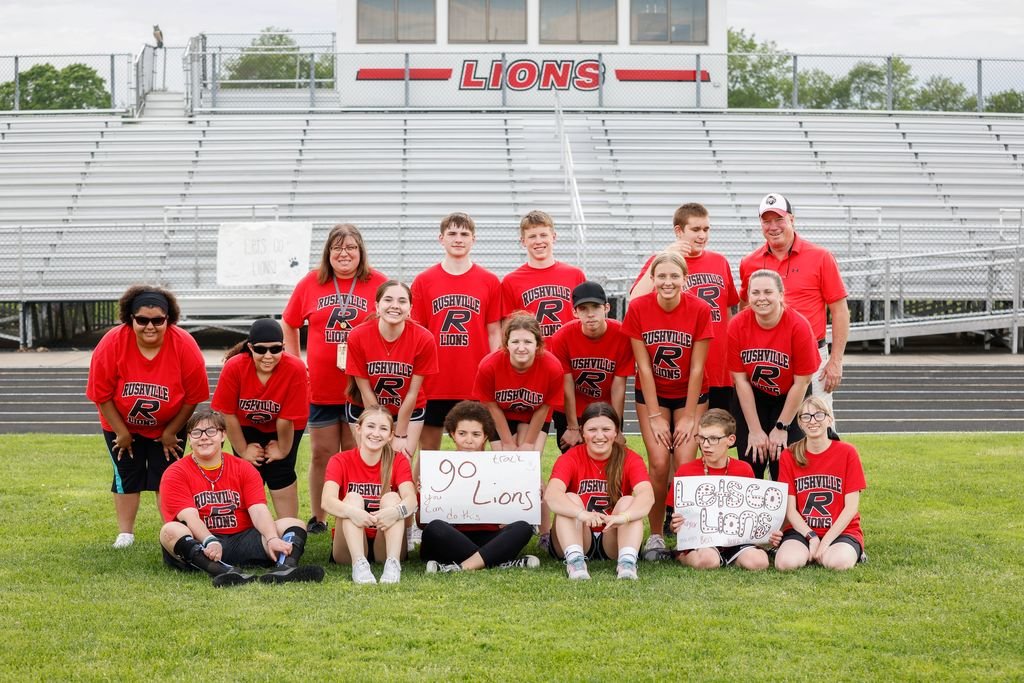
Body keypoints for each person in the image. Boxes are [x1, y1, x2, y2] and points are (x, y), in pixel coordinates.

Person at [282, 224, 388, 534]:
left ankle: (363, 510)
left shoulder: (378, 282)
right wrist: (294, 361)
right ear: (328, 252)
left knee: (360, 453)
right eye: (337, 248)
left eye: (351, 247)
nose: (344, 253)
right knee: (322, 454)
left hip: (362, 386)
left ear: (361, 252)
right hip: (322, 386)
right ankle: (319, 517)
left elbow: (398, 320)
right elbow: (289, 323)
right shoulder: (312, 283)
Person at [86, 285, 209, 548]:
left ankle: (172, 528)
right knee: (126, 473)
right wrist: (121, 432)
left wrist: (171, 432)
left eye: (158, 320)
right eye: (142, 320)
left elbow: (193, 396)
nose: (149, 326)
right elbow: (101, 394)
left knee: (166, 476)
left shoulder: (184, 345)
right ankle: (125, 533)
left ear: (169, 319)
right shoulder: (112, 342)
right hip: (120, 423)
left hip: (169, 423)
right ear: (130, 319)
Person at [159, 409, 324, 587]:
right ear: (190, 439)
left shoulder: (242, 468)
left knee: (294, 524)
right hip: (201, 541)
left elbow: (258, 509)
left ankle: (286, 568)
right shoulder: (175, 473)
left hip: (243, 538)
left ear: (223, 435)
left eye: (211, 431)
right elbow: (190, 517)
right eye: (197, 433)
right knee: (170, 530)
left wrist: (271, 538)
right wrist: (209, 540)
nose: (204, 437)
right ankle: (223, 572)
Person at [621, 252, 713, 557]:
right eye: (661, 276)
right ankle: (657, 534)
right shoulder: (638, 308)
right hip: (653, 395)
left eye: (675, 276)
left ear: (685, 279)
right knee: (659, 463)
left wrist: (689, 417)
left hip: (691, 393)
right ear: (652, 279)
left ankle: (688, 533)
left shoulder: (699, 309)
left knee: (685, 463)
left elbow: (698, 369)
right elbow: (643, 367)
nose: (668, 282)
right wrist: (657, 416)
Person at [739, 193, 849, 429]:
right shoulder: (749, 262)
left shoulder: (820, 257)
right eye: (766, 221)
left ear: (792, 219)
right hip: (766, 356)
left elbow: (839, 310)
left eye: (778, 219)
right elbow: (744, 309)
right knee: (773, 427)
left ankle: (824, 468)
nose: (773, 226)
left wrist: (836, 360)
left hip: (812, 353)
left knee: (818, 423)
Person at [629, 202, 740, 412]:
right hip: (679, 369)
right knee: (680, 439)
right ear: (679, 231)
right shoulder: (661, 263)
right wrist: (663, 255)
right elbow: (635, 300)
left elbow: (728, 312)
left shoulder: (720, 261)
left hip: (717, 368)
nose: (702, 235)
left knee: (715, 438)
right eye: (696, 229)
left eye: (706, 229)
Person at [411, 212, 502, 454]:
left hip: (474, 379)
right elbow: (417, 334)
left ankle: (477, 494)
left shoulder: (490, 280)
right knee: (429, 451)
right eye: (452, 233)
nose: (458, 238)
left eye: (464, 234)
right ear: (441, 238)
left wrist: (494, 371)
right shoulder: (423, 280)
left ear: (474, 239)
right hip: (434, 380)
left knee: (475, 449)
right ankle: (422, 494)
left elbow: (494, 331)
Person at [421, 401, 539, 573]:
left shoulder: (500, 467)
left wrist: (531, 494)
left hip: (489, 537)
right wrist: (423, 494)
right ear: (453, 434)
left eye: (476, 434)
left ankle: (461, 567)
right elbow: (422, 523)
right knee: (434, 528)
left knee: (523, 527)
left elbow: (513, 514)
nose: (469, 440)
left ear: (485, 436)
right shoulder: (439, 468)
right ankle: (497, 561)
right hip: (453, 536)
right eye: (462, 433)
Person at [211, 318, 310, 519]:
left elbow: (286, 419)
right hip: (245, 423)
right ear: (250, 347)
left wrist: (282, 449)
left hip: (286, 425)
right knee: (247, 472)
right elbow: (228, 414)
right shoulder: (235, 366)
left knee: (280, 470)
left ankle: (289, 529)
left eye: (275, 349)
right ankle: (247, 528)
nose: (268, 356)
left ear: (283, 347)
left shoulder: (295, 368)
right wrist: (242, 450)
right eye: (260, 349)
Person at [728, 269, 820, 481]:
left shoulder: (799, 326)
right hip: (754, 395)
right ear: (748, 296)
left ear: (781, 294)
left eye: (768, 292)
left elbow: (802, 382)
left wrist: (781, 427)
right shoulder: (737, 325)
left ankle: (789, 514)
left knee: (785, 461)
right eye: (756, 292)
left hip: (789, 395)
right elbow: (740, 381)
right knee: (752, 460)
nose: (761, 298)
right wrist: (754, 429)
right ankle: (753, 513)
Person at [544, 403, 653, 580]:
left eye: (606, 429)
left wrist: (622, 517)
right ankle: (575, 561)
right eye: (592, 429)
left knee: (627, 501)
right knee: (570, 498)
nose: (599, 436)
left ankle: (627, 562)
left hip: (612, 536)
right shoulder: (570, 457)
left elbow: (647, 496)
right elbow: (552, 495)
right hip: (578, 533)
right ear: (582, 432)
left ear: (616, 432)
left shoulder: (629, 458)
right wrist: (581, 514)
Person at [321, 407, 419, 584]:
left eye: (383, 428)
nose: (376, 433)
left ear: (390, 435)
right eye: (371, 426)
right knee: (352, 498)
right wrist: (353, 512)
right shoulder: (340, 460)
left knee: (392, 499)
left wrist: (396, 512)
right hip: (349, 545)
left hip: (386, 537)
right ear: (358, 429)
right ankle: (359, 565)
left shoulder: (398, 460)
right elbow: (327, 501)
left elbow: (411, 500)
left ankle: (392, 564)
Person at [664, 409, 771, 570]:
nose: (705, 445)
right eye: (701, 438)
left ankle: (729, 557)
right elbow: (674, 522)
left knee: (759, 562)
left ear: (730, 439)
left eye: (713, 439)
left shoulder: (744, 470)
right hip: (701, 541)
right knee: (708, 561)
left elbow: (752, 515)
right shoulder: (686, 472)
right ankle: (682, 556)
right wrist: (675, 525)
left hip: (735, 541)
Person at [345, 280, 439, 462]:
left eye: (402, 301)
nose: (395, 306)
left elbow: (413, 392)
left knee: (400, 465)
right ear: (377, 306)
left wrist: (400, 434)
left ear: (410, 308)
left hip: (408, 409)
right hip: (365, 407)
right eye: (388, 300)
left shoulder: (423, 338)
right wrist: (378, 428)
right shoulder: (357, 335)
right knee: (370, 464)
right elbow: (364, 390)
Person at [774, 396, 867, 571]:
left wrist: (826, 541)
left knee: (837, 563)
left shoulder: (848, 453)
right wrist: (812, 537)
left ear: (830, 418)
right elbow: (790, 510)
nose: (812, 421)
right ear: (800, 423)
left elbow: (851, 508)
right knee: (785, 564)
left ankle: (854, 551)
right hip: (802, 530)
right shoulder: (790, 455)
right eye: (806, 417)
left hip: (841, 531)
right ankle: (810, 548)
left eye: (819, 415)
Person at [548, 281, 634, 453]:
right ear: (574, 312)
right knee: (573, 459)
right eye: (583, 309)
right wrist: (572, 427)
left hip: (607, 407)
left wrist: (615, 427)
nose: (590, 314)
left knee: (609, 462)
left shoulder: (622, 335)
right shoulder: (562, 337)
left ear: (607, 307)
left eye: (595, 307)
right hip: (572, 408)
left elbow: (619, 386)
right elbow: (567, 384)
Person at [473, 312, 564, 454]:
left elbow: (544, 408)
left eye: (528, 342)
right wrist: (507, 442)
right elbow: (491, 406)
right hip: (501, 415)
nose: (521, 348)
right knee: (504, 462)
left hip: (534, 415)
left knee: (529, 460)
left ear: (538, 344)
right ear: (506, 344)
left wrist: (529, 442)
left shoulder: (553, 367)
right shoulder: (489, 366)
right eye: (515, 342)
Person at [500, 210, 586, 339]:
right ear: (523, 241)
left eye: (543, 235)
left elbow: (586, 318)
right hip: (530, 356)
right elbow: (508, 329)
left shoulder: (575, 275)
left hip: (569, 354)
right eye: (532, 236)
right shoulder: (511, 281)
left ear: (554, 237)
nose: (538, 241)